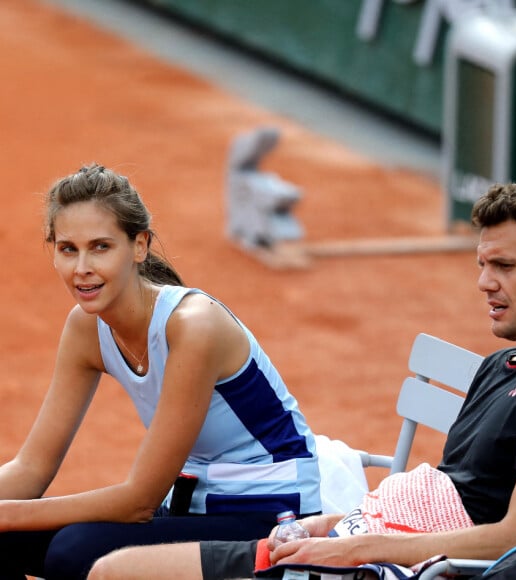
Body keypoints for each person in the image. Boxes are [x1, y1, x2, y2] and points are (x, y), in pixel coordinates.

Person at [86, 172, 516, 580]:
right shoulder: (501, 366)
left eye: (505, 266)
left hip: (381, 566)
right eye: (482, 264)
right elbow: (456, 491)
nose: (484, 282)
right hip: (361, 540)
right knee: (112, 569)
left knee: (116, 572)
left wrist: (358, 548)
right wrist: (335, 524)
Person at [0, 163, 321, 580]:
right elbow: (31, 468)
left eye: (100, 247)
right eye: (67, 249)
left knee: (72, 552)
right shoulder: (84, 328)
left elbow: (138, 501)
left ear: (139, 246)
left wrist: (6, 514)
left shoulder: (194, 326)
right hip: (193, 506)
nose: (82, 267)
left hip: (273, 519)